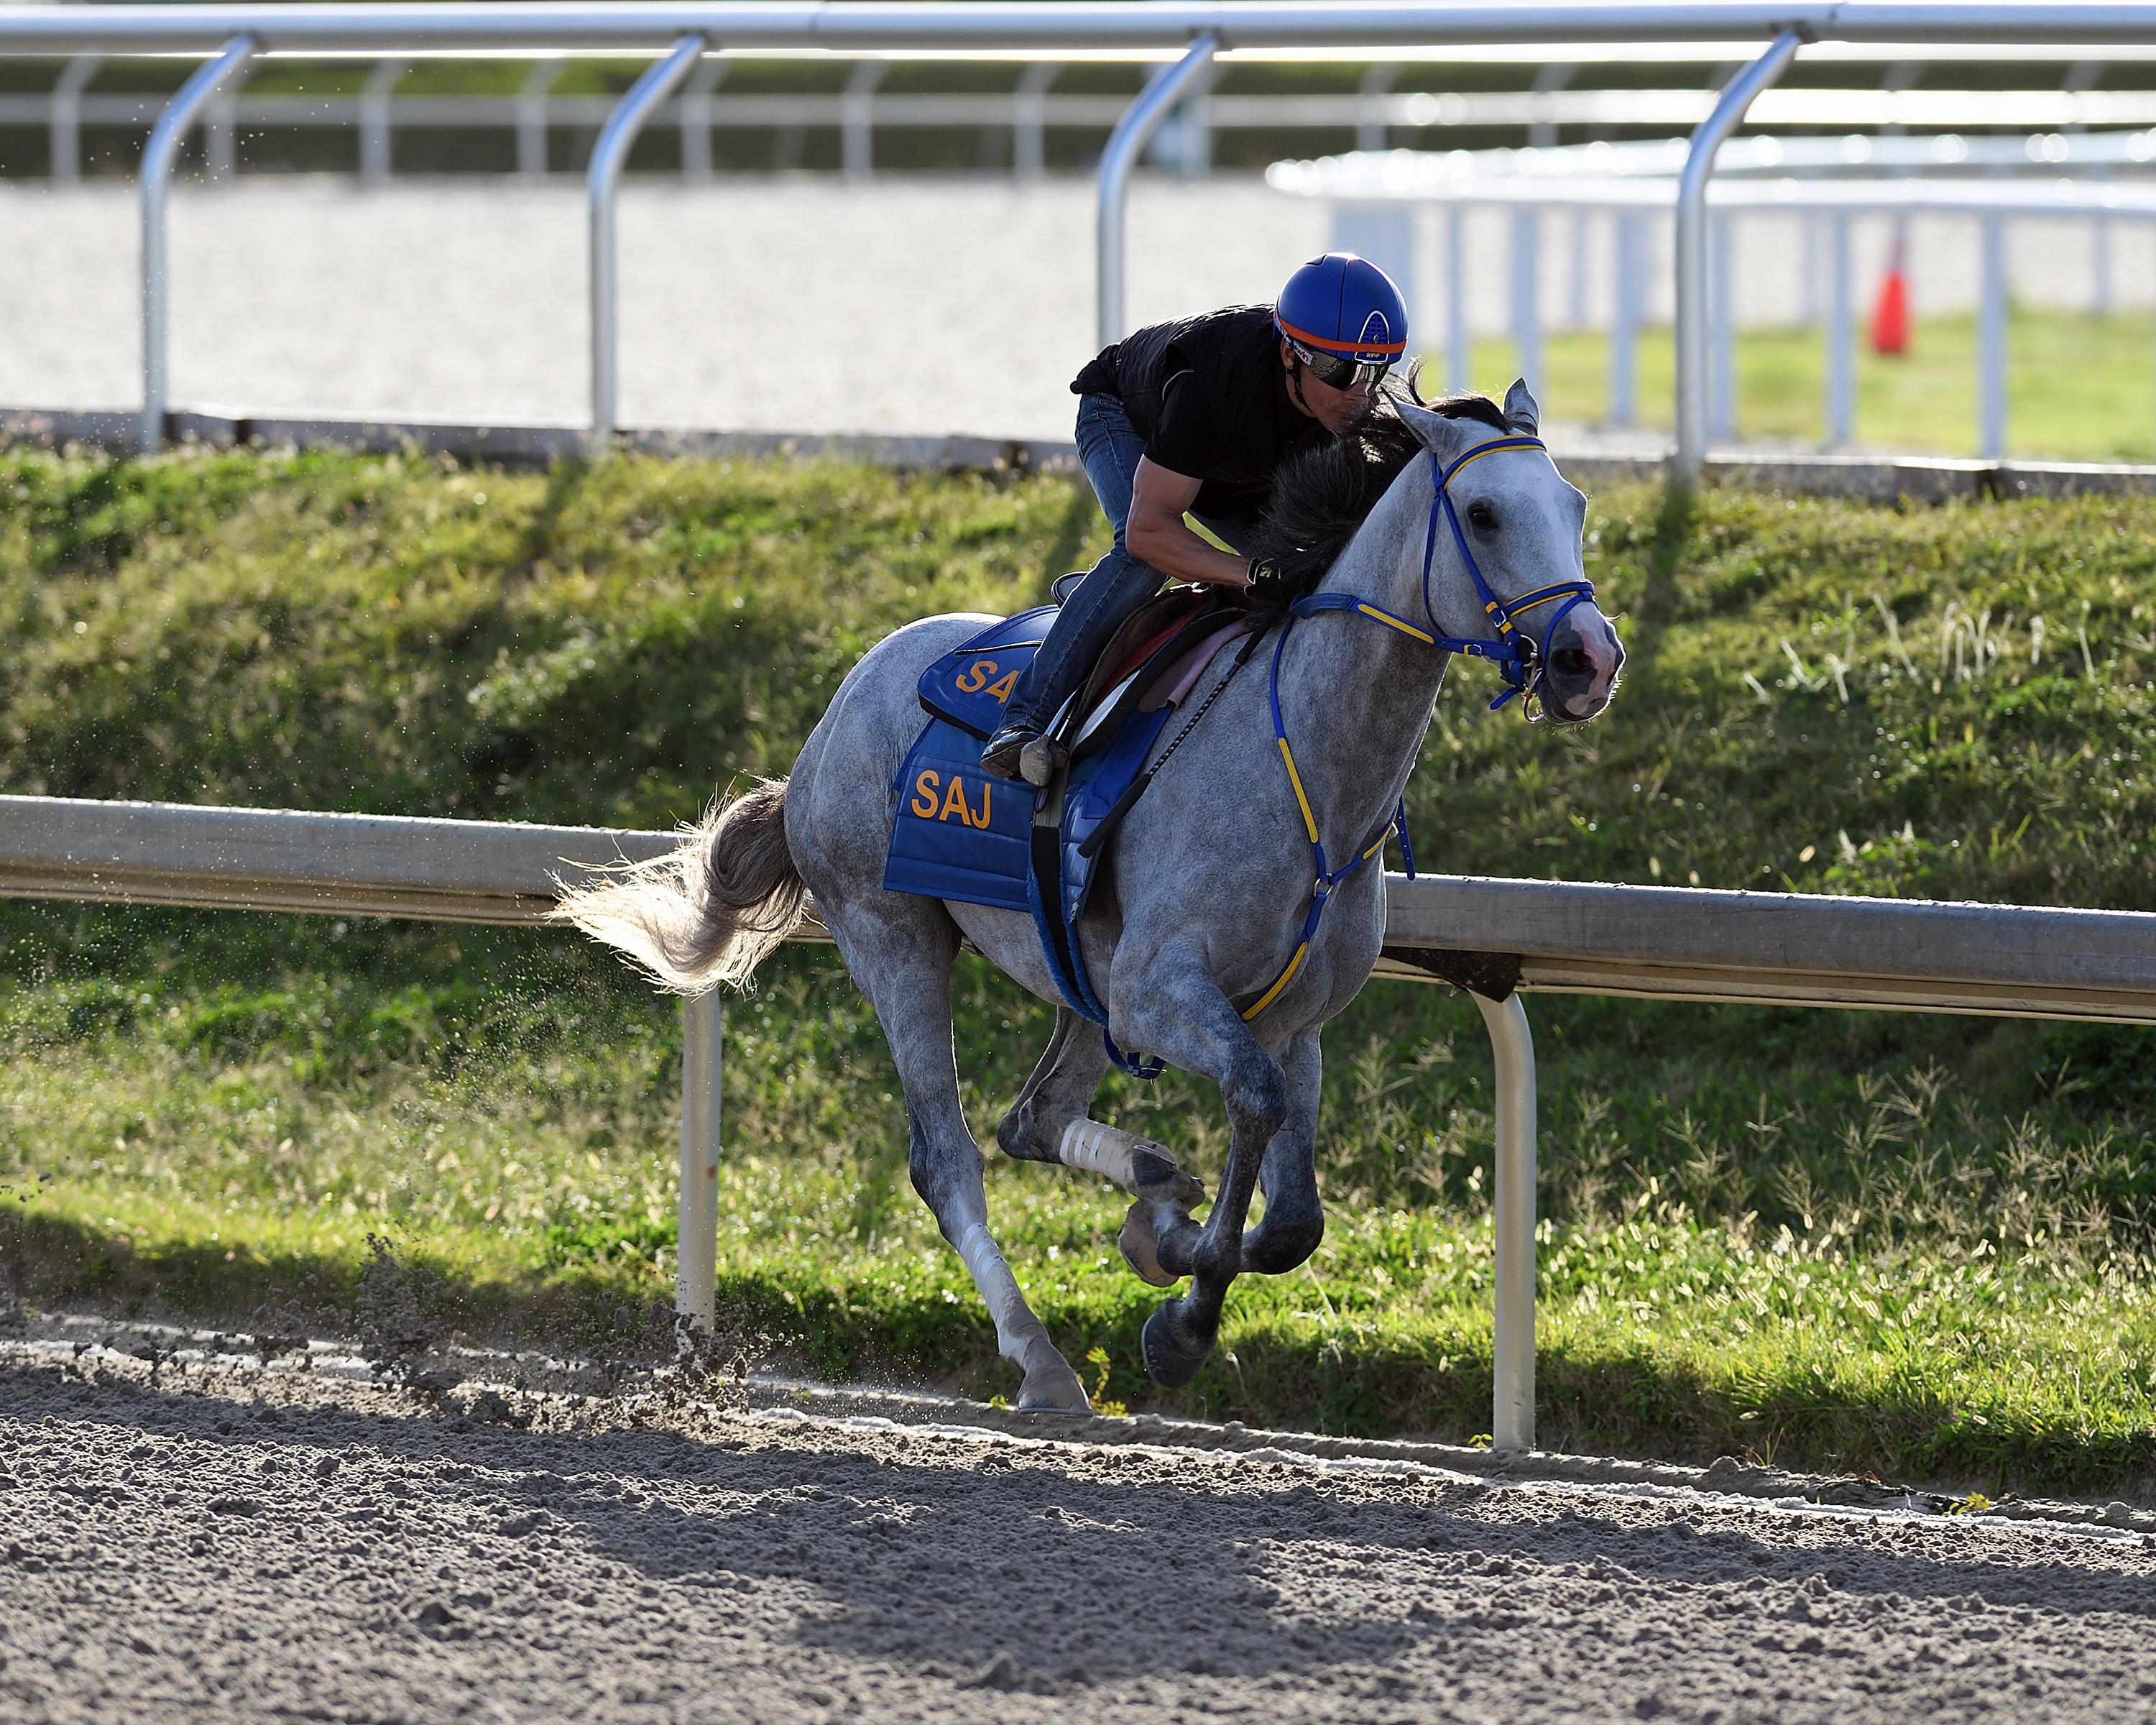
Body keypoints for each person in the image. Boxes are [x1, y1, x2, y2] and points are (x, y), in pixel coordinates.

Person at [980, 252, 1409, 785]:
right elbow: (1148, 532)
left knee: (1313, 570)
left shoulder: (1347, 404)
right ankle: (1024, 719)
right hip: (1125, 417)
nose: (1359, 394)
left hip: (1233, 463)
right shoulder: (1211, 383)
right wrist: (1249, 572)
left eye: (1374, 372)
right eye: (1339, 371)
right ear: (1290, 353)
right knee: (1142, 561)